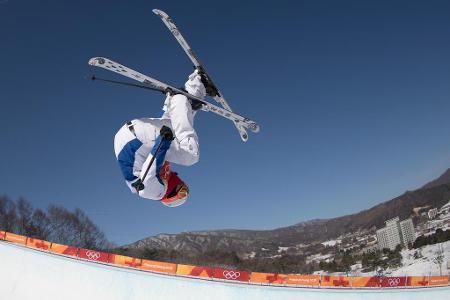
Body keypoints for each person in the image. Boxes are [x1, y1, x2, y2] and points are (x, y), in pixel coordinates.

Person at [113, 70, 207, 207]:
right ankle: (196, 85)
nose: (183, 187)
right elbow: (162, 125)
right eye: (185, 190)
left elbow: (149, 171)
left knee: (191, 156)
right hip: (132, 135)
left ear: (170, 197)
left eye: (182, 193)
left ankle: (180, 99)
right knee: (176, 132)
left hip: (136, 140)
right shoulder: (163, 176)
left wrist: (162, 141)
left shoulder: (155, 193)